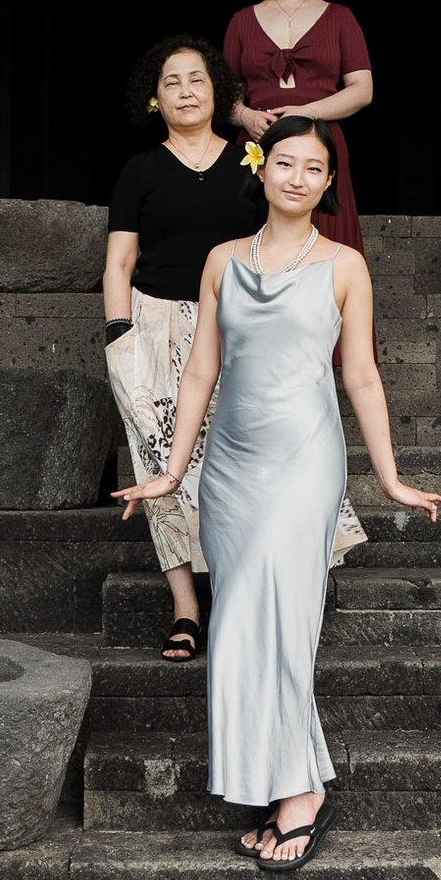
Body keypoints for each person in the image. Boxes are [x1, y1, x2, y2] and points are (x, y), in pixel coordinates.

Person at [112, 116, 441, 869]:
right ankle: (291, 782)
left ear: (329, 184)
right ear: (261, 170)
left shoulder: (345, 266)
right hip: (230, 469)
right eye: (285, 163)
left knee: (284, 627)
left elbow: (360, 375)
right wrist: (172, 471)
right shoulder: (222, 260)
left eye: (314, 168)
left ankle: (300, 796)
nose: (298, 177)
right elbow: (201, 370)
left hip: (304, 462)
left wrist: (388, 476)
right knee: (242, 627)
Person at [101, 35, 368, 665]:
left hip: (239, 328)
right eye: (171, 82)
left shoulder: (254, 162)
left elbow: (280, 245)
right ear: (155, 98)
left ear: (218, 90)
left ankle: (245, 592)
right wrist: (120, 336)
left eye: (197, 78)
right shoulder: (140, 170)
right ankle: (186, 609)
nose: (186, 91)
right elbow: (119, 262)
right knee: (161, 464)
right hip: (154, 326)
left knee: (239, 463)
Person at [205, 0, 373, 257]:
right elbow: (224, 94)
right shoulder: (241, 21)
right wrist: (245, 116)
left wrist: (307, 113)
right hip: (258, 145)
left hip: (320, 140)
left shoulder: (340, 17)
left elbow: (362, 90)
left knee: (326, 242)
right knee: (251, 241)